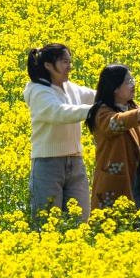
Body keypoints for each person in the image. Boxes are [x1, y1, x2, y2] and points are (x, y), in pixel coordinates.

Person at [24, 43, 96, 222]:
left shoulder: (70, 87)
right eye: (65, 62)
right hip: (48, 164)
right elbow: (59, 112)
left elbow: (99, 96)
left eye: (70, 62)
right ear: (48, 65)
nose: (70, 66)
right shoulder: (38, 91)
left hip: (75, 161)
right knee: (47, 223)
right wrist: (96, 110)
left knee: (81, 220)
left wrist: (123, 100)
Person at [85, 65, 140, 212]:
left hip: (135, 178)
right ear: (115, 88)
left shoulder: (132, 108)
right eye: (128, 81)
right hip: (113, 184)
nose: (133, 84)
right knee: (111, 226)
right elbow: (115, 123)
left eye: (132, 79)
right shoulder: (102, 112)